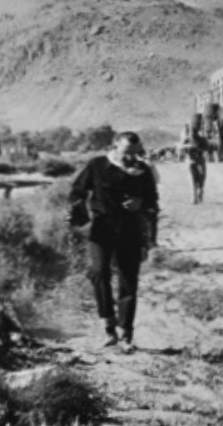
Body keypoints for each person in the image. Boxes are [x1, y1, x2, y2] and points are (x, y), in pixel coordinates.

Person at [68, 131, 159, 353]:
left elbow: (153, 201)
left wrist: (140, 203)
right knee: (99, 272)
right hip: (102, 229)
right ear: (114, 146)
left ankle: (126, 333)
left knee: (128, 282)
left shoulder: (143, 170)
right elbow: (77, 192)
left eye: (135, 153)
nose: (131, 157)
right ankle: (108, 327)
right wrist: (77, 210)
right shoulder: (97, 165)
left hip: (131, 230)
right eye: (126, 152)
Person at [183, 128, 210, 204]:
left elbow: (207, 148)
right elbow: (182, 149)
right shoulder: (187, 140)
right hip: (191, 161)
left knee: (201, 178)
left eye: (194, 133)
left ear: (197, 133)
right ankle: (194, 197)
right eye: (191, 133)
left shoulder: (202, 139)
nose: (192, 135)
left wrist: (198, 149)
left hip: (200, 161)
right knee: (193, 179)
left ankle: (200, 192)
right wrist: (187, 148)